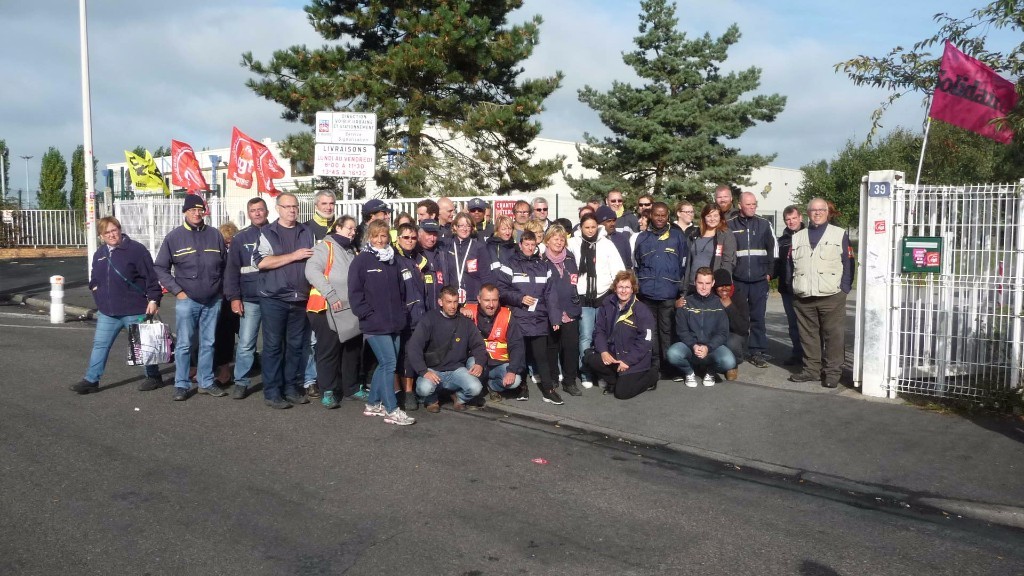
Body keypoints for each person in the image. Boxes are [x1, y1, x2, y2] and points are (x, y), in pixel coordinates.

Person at [72, 217, 163, 394]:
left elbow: (151, 278)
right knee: (100, 345)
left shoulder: (136, 250)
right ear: (101, 236)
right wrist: (95, 288)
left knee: (143, 345)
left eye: (114, 230)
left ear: (120, 229)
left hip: (134, 309)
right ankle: (91, 380)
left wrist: (154, 299)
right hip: (108, 311)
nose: (112, 235)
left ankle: (153, 377)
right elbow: (95, 276)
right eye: (107, 232)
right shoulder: (100, 254)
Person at [154, 195, 228, 401]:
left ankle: (205, 381)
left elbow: (225, 265)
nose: (197, 213)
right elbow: (160, 267)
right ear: (185, 212)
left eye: (200, 210)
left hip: (213, 300)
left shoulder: (215, 235)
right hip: (187, 300)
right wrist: (177, 290)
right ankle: (181, 384)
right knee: (185, 344)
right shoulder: (174, 237)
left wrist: (221, 290)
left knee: (208, 343)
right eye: (192, 210)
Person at [348, 219, 415, 425]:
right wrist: (366, 314)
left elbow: (401, 290)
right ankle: (391, 408)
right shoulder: (362, 261)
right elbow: (355, 292)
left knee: (385, 363)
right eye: (376, 236)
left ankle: (373, 403)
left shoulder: (392, 259)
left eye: (383, 236)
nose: (380, 240)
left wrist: (402, 312)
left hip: (394, 321)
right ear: (369, 237)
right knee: (389, 363)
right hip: (374, 323)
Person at [253, 192, 316, 409]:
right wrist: (293, 256)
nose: (292, 210)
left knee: (295, 347)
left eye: (295, 206)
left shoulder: (306, 231)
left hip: (300, 299)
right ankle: (272, 392)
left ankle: (290, 388)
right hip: (274, 298)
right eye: (287, 206)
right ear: (278, 208)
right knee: (272, 347)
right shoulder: (268, 232)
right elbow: (261, 262)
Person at [787, 197, 854, 388]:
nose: (817, 213)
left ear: (827, 212)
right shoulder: (797, 236)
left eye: (821, 210)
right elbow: (789, 265)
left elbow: (848, 262)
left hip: (832, 295)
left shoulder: (839, 234)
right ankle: (811, 371)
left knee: (833, 336)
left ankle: (833, 373)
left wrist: (844, 288)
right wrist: (794, 289)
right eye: (813, 210)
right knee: (808, 336)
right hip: (804, 296)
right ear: (807, 213)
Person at [495, 231, 564, 405]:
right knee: (520, 355)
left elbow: (551, 294)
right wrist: (519, 298)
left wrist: (555, 318)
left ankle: (548, 390)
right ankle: (522, 387)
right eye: (526, 244)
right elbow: (501, 290)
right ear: (520, 245)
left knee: (542, 356)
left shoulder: (544, 266)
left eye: (532, 245)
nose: (529, 248)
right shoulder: (509, 264)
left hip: (539, 318)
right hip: (518, 317)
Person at [305, 215, 362, 409]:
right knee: (328, 350)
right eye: (349, 228)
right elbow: (312, 271)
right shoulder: (324, 247)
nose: (353, 232)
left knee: (351, 349)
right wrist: (331, 294)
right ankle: (327, 391)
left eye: (354, 229)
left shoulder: (351, 250)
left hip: (348, 309)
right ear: (338, 227)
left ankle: (351, 387)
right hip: (325, 307)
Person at [407, 286, 487, 413]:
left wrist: (479, 363)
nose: (453, 306)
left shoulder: (465, 322)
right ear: (440, 302)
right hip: (434, 369)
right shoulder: (429, 319)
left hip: (457, 369)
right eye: (449, 302)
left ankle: (459, 398)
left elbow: (479, 345)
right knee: (424, 389)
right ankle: (432, 400)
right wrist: (423, 371)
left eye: (455, 302)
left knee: (476, 388)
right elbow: (414, 347)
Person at [568, 213, 625, 389]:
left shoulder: (607, 244)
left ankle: (602, 371)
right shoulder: (572, 244)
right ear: (581, 228)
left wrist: (615, 290)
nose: (591, 230)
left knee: (602, 336)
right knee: (585, 335)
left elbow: (618, 270)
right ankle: (585, 371)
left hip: (603, 296)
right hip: (583, 296)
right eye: (587, 227)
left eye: (593, 227)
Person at [632, 201, 687, 380]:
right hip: (647, 294)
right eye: (657, 215)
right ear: (650, 216)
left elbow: (684, 266)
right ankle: (653, 367)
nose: (660, 218)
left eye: (664, 215)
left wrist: (681, 292)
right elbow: (636, 265)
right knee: (650, 331)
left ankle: (670, 367)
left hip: (668, 294)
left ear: (668, 216)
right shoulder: (642, 238)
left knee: (667, 331)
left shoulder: (677, 237)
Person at [223, 197, 270, 399]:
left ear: (267, 211)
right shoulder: (241, 238)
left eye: (260, 209)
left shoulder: (276, 232)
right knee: (246, 344)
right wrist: (234, 297)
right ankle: (241, 381)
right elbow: (232, 270)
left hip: (274, 298)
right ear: (248, 213)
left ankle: (272, 380)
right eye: (253, 210)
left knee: (274, 343)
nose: (257, 213)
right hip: (250, 299)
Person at [585, 270, 656, 399]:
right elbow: (599, 330)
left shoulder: (641, 310)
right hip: (613, 353)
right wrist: (603, 352)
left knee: (622, 394)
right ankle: (614, 381)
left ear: (633, 289)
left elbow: (646, 341)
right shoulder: (607, 303)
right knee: (589, 358)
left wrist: (627, 361)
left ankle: (651, 376)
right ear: (615, 288)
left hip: (632, 358)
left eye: (627, 287)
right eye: (620, 287)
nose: (623, 291)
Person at [727, 191, 776, 369]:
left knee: (758, 318)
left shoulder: (764, 224)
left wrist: (770, 272)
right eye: (748, 204)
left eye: (754, 204)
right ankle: (736, 351)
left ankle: (757, 352)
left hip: (759, 280)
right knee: (739, 318)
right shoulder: (730, 225)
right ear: (740, 205)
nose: (752, 207)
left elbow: (773, 250)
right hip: (738, 280)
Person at [667, 267, 736, 387]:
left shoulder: (719, 304)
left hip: (712, 348)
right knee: (673, 354)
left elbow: (723, 333)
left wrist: (708, 347)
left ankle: (710, 372)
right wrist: (694, 345)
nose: (704, 287)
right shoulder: (685, 303)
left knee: (729, 362)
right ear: (695, 282)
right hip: (690, 347)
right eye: (700, 283)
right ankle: (689, 372)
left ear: (713, 283)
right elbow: (682, 331)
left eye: (707, 283)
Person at [462, 284, 525, 402]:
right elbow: (448, 310)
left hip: (499, 363)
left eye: (494, 300)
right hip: (476, 360)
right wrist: (460, 310)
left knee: (515, 381)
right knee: (472, 367)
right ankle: (476, 391)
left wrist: (512, 371)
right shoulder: (468, 310)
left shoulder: (507, 314)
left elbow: (517, 345)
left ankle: (492, 386)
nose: (491, 305)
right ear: (479, 299)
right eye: (486, 300)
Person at [543, 225, 583, 397]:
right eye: (555, 238)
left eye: (561, 239)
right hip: (550, 311)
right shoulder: (541, 260)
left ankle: (570, 381)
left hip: (570, 309)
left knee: (571, 348)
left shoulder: (571, 258)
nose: (559, 242)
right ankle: (553, 378)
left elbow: (575, 281)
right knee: (552, 347)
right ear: (548, 240)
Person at [394, 221, 428, 411]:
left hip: (418, 316)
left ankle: (409, 391)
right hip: (401, 317)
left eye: (413, 238)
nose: (410, 241)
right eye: (406, 237)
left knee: (411, 354)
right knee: (397, 356)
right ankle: (401, 392)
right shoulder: (394, 259)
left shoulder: (418, 259)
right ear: (398, 239)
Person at [774, 205, 805, 366]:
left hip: (806, 288)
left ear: (800, 217)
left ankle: (812, 357)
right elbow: (777, 264)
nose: (791, 222)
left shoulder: (809, 236)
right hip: (787, 288)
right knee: (793, 324)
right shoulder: (782, 241)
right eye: (788, 219)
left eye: (794, 218)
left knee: (808, 325)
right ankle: (797, 354)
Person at [683, 204, 736, 293]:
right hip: (693, 284)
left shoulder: (725, 234)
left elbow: (728, 262)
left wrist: (722, 285)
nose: (712, 219)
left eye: (715, 216)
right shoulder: (695, 234)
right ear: (704, 217)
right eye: (709, 216)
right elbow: (688, 261)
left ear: (720, 217)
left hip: (712, 286)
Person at [212, 222, 240, 385]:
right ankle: (224, 369)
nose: (228, 245)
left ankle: (250, 362)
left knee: (245, 336)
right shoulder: (218, 254)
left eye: (230, 241)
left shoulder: (238, 251)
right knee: (224, 335)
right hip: (222, 297)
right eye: (225, 242)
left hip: (239, 296)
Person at [449, 212, 493, 304]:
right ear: (455, 227)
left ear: (472, 228)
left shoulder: (479, 247)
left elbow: (486, 275)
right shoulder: (448, 247)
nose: (464, 229)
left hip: (472, 299)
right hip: (451, 299)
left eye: (468, 226)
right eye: (461, 225)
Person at [713, 269, 747, 379]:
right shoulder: (711, 297)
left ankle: (733, 365)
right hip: (716, 333)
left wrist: (729, 307)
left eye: (727, 285)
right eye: (720, 285)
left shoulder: (739, 297)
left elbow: (743, 328)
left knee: (732, 342)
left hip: (733, 333)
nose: (724, 288)